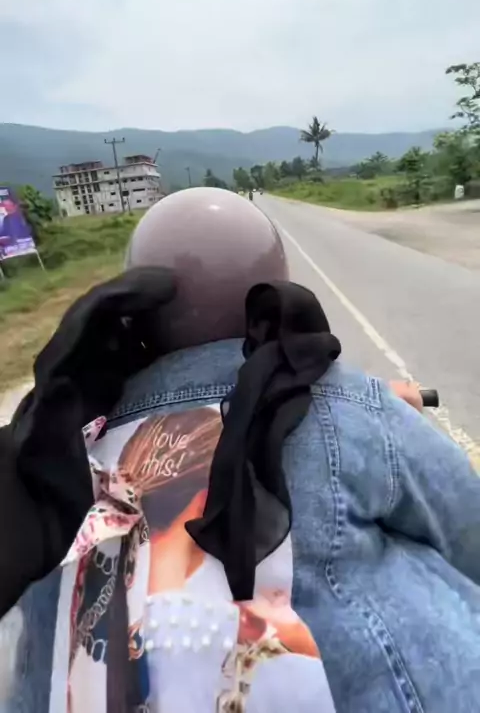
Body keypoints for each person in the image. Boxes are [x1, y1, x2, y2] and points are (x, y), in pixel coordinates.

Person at [4, 187, 480, 713]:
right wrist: (364, 413)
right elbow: (466, 527)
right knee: (421, 565)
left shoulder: (53, 449)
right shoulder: (344, 403)